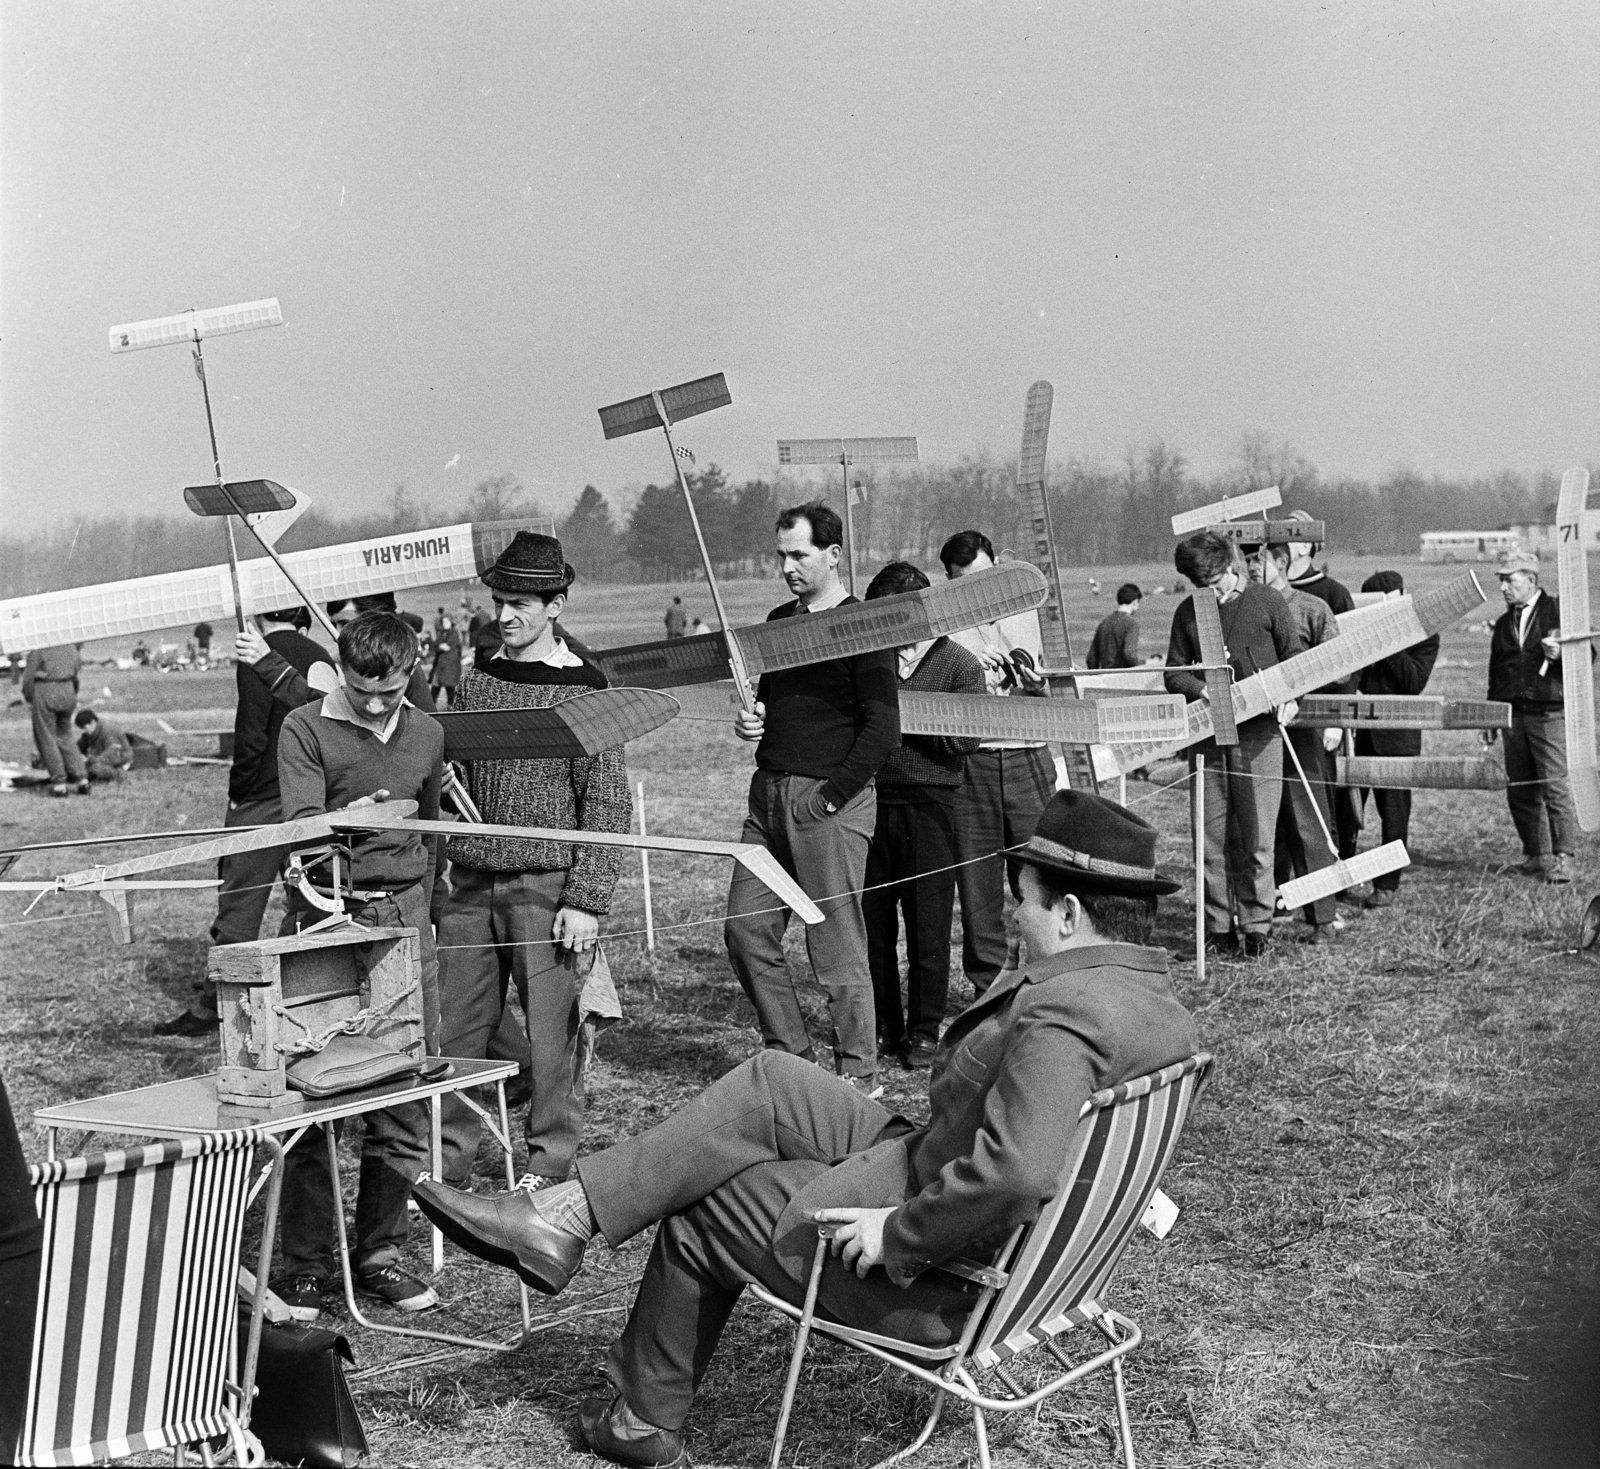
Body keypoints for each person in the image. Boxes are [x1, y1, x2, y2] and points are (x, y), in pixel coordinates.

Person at [412, 790, 1197, 1468]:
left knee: (708, 1200)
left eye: (1021, 899)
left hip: (947, 1278)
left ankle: (639, 1415)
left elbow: (1019, 1173)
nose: (1010, 914)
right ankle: (566, 1213)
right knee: (773, 1079)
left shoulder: (1066, 1017)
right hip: (973, 1207)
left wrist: (899, 1234)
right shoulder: (1155, 1009)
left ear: (1069, 911)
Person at [434, 531, 632, 1192]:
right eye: (500, 602)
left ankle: (547, 1169)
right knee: (458, 1035)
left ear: (556, 605)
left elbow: (605, 800)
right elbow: (458, 771)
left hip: (547, 889)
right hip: (469, 884)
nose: (505, 615)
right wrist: (444, 782)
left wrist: (586, 900)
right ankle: (448, 1168)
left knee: (552, 1039)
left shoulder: (586, 688)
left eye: (520, 604)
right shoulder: (478, 680)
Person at [272, 609, 445, 1321]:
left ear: (412, 671)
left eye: (390, 691)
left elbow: (429, 831)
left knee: (401, 1093)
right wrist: (348, 820)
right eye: (361, 689)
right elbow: (301, 830)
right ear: (340, 669)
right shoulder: (304, 728)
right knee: (308, 1100)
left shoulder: (428, 733)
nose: (376, 705)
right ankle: (307, 1265)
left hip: (403, 923)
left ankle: (379, 1254)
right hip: (324, 921)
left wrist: (424, 915)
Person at [725, 501, 899, 1093]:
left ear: (833, 554)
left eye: (799, 555)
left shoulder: (865, 625)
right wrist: (752, 721)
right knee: (745, 930)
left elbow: (883, 728)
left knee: (835, 945)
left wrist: (829, 799)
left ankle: (858, 1077)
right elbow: (770, 704)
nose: (787, 567)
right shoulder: (779, 620)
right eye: (781, 556)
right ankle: (794, 1059)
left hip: (827, 803)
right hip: (767, 799)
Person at [156, 606, 335, 1037]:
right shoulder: (319, 654)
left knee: (240, 907)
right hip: (311, 794)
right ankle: (302, 995)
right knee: (309, 901)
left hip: (262, 796)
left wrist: (239, 792)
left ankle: (215, 1008)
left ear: (260, 616)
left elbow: (252, 734)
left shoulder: (258, 654)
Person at [860, 562, 984, 1070]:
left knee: (928, 929)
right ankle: (885, 1025)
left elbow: (967, 740)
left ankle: (925, 1032)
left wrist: (904, 718)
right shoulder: (869, 659)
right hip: (871, 805)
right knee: (874, 927)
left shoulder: (960, 665)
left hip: (931, 808)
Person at [1165, 531, 1304, 957]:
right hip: (1208, 738)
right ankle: (1218, 928)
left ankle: (1257, 927)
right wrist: (1200, 688)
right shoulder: (1188, 612)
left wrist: (1292, 698)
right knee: (1209, 838)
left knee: (1258, 838)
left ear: (1230, 567)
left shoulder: (1267, 601)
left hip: (1260, 737)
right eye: (1197, 585)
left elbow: (1296, 660)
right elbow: (1173, 672)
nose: (1206, 592)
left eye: (1212, 583)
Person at [940, 530, 1056, 998]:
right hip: (973, 764)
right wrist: (962, 660)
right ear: (950, 584)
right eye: (966, 584)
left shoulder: (1028, 609)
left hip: (1029, 757)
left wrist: (1037, 682)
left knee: (1040, 880)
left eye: (987, 579)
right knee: (978, 888)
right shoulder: (942, 627)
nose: (981, 592)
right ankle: (988, 992)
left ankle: (1045, 985)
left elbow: (1054, 685)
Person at [1252, 539, 1344, 942]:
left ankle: (1322, 917)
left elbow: (1340, 668)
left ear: (1281, 562)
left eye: (1258, 560)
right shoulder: (1242, 609)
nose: (1251, 567)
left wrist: (1301, 694)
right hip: (1254, 732)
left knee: (1308, 821)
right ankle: (1259, 914)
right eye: (1246, 560)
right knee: (1257, 826)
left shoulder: (1312, 608)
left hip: (1299, 730)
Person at [1343, 570, 1439, 908]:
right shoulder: (1359, 631)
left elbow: (1413, 682)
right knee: (1346, 810)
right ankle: (1340, 879)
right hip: (1357, 735)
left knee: (1394, 815)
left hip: (1396, 739)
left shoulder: (1424, 634)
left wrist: (1386, 641)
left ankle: (1387, 884)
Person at [1485, 550, 1575, 884]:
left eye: (1509, 580)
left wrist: (1562, 653)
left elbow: (1588, 652)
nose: (1503, 587)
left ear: (1531, 579)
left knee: (1553, 786)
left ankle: (1564, 858)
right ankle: (1536, 856)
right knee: (1520, 790)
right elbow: (1496, 671)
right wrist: (1492, 715)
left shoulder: (1559, 612)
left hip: (1547, 712)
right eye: (1501, 581)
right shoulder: (1504, 623)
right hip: (1513, 715)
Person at [22, 644, 87, 797]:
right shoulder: (71, 648)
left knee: (46, 738)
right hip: (68, 690)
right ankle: (82, 778)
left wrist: (30, 697)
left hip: (46, 690)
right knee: (66, 736)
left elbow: (28, 678)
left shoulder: (39, 649)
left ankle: (59, 783)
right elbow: (77, 672)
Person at [1087, 583, 1143, 669]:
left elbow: (1091, 659)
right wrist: (1142, 667)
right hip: (1123, 674)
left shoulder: (1104, 623)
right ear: (1135, 602)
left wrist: (1096, 675)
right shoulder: (1131, 624)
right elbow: (1129, 655)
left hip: (1105, 674)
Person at [73, 708, 133, 782]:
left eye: (84, 727)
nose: (83, 731)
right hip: (99, 760)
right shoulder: (90, 733)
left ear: (92, 722)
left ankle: (119, 775)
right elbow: (78, 747)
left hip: (119, 762)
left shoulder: (109, 731)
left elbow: (112, 756)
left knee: (95, 768)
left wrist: (89, 759)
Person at [431, 616, 463, 708]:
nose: (444, 624)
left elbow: (448, 646)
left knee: (450, 685)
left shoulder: (454, 633)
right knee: (436, 685)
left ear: (450, 622)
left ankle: (450, 705)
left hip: (450, 663)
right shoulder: (441, 633)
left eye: (446, 622)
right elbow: (436, 644)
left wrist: (442, 646)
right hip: (440, 663)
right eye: (443, 622)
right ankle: (431, 705)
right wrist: (440, 646)